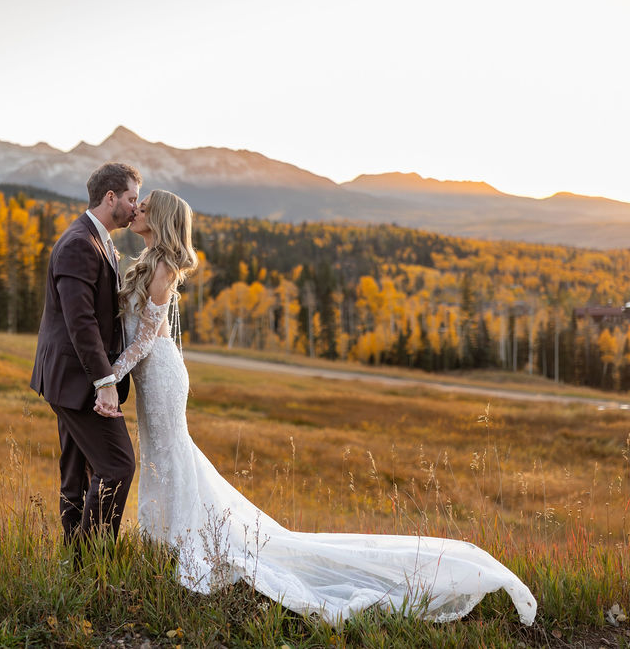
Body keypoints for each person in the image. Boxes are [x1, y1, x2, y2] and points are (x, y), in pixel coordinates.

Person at [103, 188, 538, 626]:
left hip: (159, 373)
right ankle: (168, 543)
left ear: (160, 218)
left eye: (143, 207)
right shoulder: (148, 261)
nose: (135, 210)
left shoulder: (163, 267)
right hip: (154, 372)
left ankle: (185, 546)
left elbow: (143, 340)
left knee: (170, 455)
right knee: (162, 455)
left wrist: (110, 375)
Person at [30, 162, 141, 546]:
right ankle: (93, 556)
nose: (135, 208)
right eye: (131, 199)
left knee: (76, 473)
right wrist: (105, 382)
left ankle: (75, 561)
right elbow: (80, 322)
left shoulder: (100, 240)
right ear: (110, 197)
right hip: (76, 378)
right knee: (117, 465)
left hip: (73, 377)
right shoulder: (79, 243)